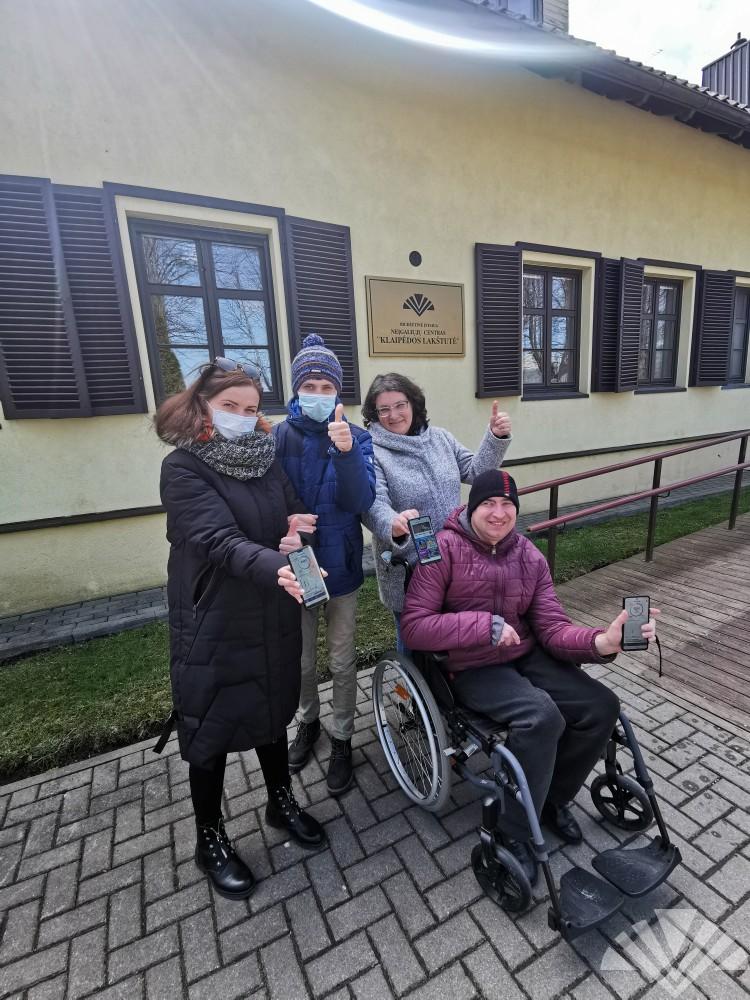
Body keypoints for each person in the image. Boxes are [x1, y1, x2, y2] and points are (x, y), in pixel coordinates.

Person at [400, 469, 658, 884]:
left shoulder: (528, 556)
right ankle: (515, 829)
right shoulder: (441, 549)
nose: (498, 513)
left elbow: (552, 628)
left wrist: (602, 641)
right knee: (542, 716)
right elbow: (415, 626)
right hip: (470, 665)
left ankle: (551, 799)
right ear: (471, 507)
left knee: (601, 706)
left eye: (507, 505)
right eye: (488, 503)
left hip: (524, 653)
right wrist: (483, 626)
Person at [155, 357, 326, 901]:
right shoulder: (183, 467)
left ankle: (281, 802)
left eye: (251, 408)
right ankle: (209, 838)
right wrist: (277, 566)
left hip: (271, 608)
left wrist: (297, 532)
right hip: (213, 616)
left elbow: (293, 511)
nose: (242, 416)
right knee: (209, 724)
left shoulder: (264, 459)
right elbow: (217, 540)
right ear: (201, 405)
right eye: (229, 405)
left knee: (271, 709)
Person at [273, 334, 376, 795]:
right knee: (300, 659)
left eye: (326, 386)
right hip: (298, 565)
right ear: (296, 389)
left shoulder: (357, 437)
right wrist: (283, 530)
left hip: (342, 564)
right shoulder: (277, 436)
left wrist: (348, 453)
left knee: (342, 659)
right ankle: (308, 721)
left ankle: (342, 737)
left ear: (338, 391)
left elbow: (361, 501)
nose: (317, 393)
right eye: (309, 386)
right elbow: (265, 499)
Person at [361, 373, 512, 649]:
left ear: (413, 404)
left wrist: (495, 437)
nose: (393, 415)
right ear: (374, 414)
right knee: (414, 641)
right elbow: (372, 502)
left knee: (454, 637)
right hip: (410, 564)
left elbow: (476, 472)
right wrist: (393, 522)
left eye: (400, 405)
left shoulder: (440, 438)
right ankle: (410, 677)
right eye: (384, 409)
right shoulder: (371, 450)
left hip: (455, 558)